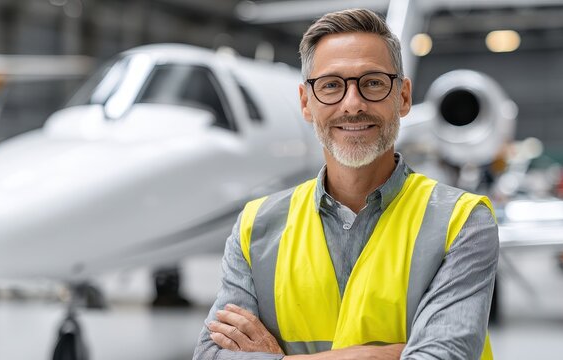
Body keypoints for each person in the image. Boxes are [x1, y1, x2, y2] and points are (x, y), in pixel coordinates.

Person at [193, 8, 498, 360]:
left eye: (372, 83)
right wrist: (382, 355)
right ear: (306, 103)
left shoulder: (462, 222)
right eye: (331, 86)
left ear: (403, 97)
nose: (352, 105)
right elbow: (211, 354)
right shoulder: (254, 226)